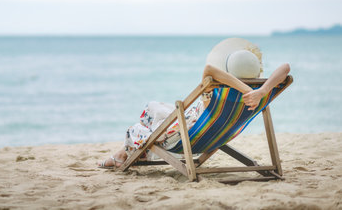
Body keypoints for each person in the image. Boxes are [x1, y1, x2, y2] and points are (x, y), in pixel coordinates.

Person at [98, 38, 291, 168]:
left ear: (227, 70)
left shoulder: (220, 89)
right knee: (156, 109)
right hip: (216, 135)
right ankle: (123, 154)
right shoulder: (261, 93)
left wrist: (249, 91)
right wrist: (261, 90)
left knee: (141, 124)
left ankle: (121, 155)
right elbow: (286, 68)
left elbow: (209, 68)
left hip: (183, 137)